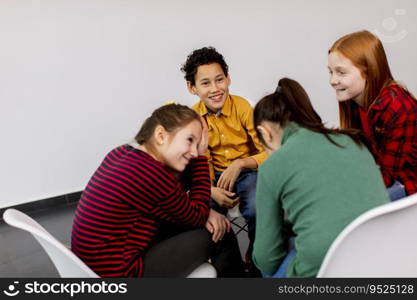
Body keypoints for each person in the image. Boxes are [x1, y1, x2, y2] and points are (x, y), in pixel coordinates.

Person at [71, 103, 245, 277]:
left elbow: (174, 198)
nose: (194, 151)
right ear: (161, 135)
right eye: (190, 140)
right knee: (221, 232)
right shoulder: (149, 173)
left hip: (93, 266)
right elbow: (197, 216)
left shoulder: (122, 153)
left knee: (208, 223)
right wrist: (201, 157)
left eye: (198, 144)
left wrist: (202, 213)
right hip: (123, 272)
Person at [252, 78, 389, 278]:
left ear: (264, 133)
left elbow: (267, 258)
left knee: (269, 266)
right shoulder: (353, 141)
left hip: (324, 271)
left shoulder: (272, 167)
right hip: (380, 258)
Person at [181, 47, 267, 273]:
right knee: (203, 214)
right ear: (193, 88)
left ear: (228, 79)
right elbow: (197, 161)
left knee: (258, 206)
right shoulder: (193, 117)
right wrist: (209, 189)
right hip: (212, 178)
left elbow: (268, 151)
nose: (215, 88)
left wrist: (240, 164)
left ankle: (257, 257)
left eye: (220, 80)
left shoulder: (243, 108)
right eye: (206, 83)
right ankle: (230, 269)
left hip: (247, 171)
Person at [328, 30, 417, 201]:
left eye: (341, 72)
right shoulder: (354, 102)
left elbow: (386, 176)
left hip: (408, 186)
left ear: (368, 72)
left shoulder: (396, 106)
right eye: (330, 72)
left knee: (344, 205)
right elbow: (362, 159)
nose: (332, 80)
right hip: (385, 177)